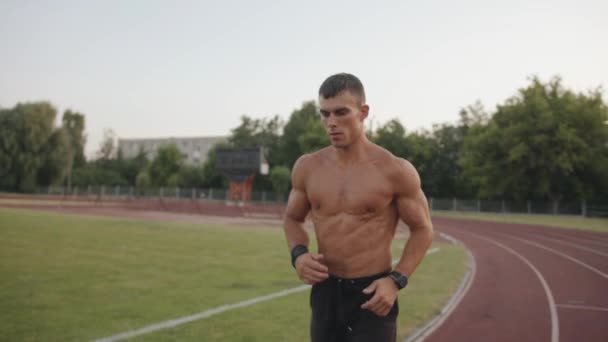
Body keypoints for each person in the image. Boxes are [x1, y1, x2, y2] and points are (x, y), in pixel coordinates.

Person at [283, 73, 434, 341]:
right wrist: (299, 255)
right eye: (324, 114)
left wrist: (396, 280)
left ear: (363, 112)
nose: (331, 123)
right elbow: (292, 219)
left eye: (341, 113)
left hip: (373, 291)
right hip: (325, 290)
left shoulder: (394, 170)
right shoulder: (308, 167)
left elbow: (422, 229)